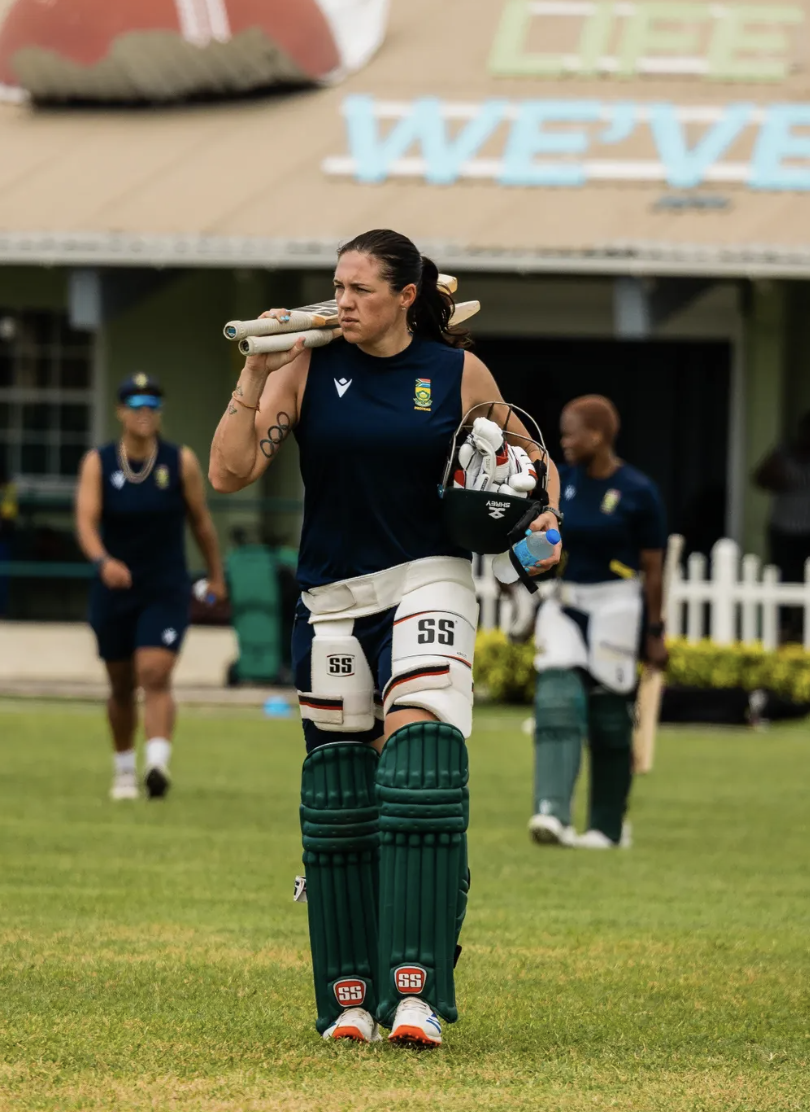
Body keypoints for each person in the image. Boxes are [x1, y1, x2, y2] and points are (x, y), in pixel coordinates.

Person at [208, 229, 562, 1048]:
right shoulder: (305, 367)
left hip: (427, 576)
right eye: (337, 286)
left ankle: (418, 991)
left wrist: (546, 517)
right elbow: (229, 472)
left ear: (406, 296)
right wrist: (256, 371)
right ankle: (354, 996)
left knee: (418, 765)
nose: (342, 302)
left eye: (360, 289)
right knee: (349, 797)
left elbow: (526, 459)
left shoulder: (456, 373)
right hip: (331, 598)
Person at [75, 373, 226, 802]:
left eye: (153, 406)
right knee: (121, 684)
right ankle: (124, 770)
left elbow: (201, 523)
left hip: (165, 585)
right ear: (121, 411)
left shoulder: (180, 461)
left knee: (154, 672)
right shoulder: (99, 462)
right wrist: (103, 562)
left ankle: (157, 765)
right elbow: (85, 522)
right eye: (137, 405)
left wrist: (216, 575)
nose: (146, 413)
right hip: (115, 588)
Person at [528, 395, 666, 850]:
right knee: (556, 698)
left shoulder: (638, 491)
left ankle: (607, 828)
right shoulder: (561, 484)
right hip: (566, 600)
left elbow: (653, 568)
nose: (564, 442)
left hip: (618, 603)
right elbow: (544, 542)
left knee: (610, 718)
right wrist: (516, 567)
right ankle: (551, 812)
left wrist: (655, 632)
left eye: (571, 434)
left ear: (598, 435)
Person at [753, 410, 810, 585]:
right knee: (784, 580)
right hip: (784, 530)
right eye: (809, 430)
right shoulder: (783, 454)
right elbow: (758, 478)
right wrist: (779, 481)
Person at [0, 458, 17, 617]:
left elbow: (7, 518)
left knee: (2, 576)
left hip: (3, 538)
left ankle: (2, 611)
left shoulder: (8, 488)